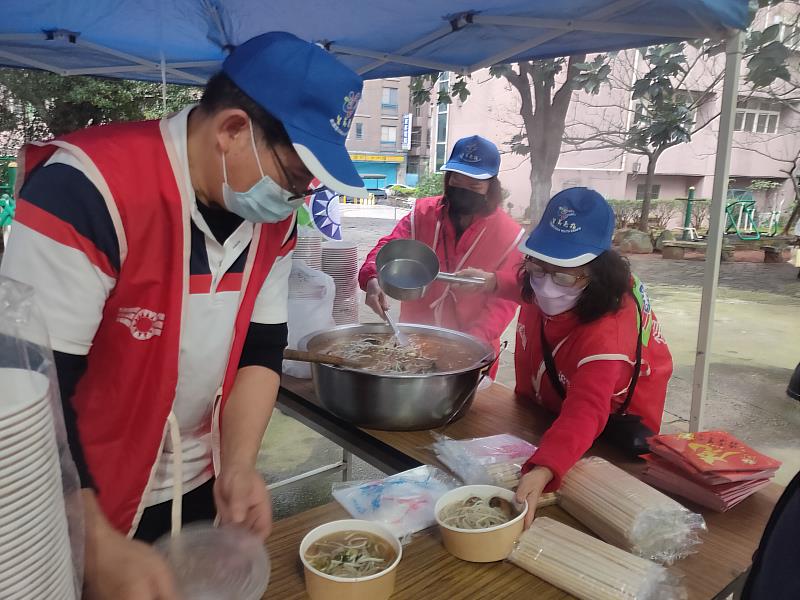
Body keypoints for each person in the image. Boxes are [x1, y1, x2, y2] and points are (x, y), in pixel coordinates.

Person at [0, 32, 366, 599]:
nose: (299, 194)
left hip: (199, 477)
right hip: (76, 489)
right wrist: (92, 534)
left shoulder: (272, 220)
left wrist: (240, 464)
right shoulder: (87, 189)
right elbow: (34, 382)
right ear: (233, 130)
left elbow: (261, 346)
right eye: (295, 175)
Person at [456, 187, 673, 526]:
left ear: (597, 273)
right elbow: (531, 287)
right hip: (549, 410)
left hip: (608, 435)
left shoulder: (608, 333)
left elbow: (588, 408)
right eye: (538, 268)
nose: (546, 287)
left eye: (563, 275)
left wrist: (545, 469)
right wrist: (491, 282)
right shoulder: (551, 284)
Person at [358, 135, 524, 376]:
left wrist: (466, 347)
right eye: (457, 179)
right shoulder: (423, 214)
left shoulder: (509, 236)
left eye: (474, 184)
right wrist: (372, 278)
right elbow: (388, 247)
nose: (463, 188)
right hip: (413, 342)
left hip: (473, 352)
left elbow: (503, 303)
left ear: (490, 185)